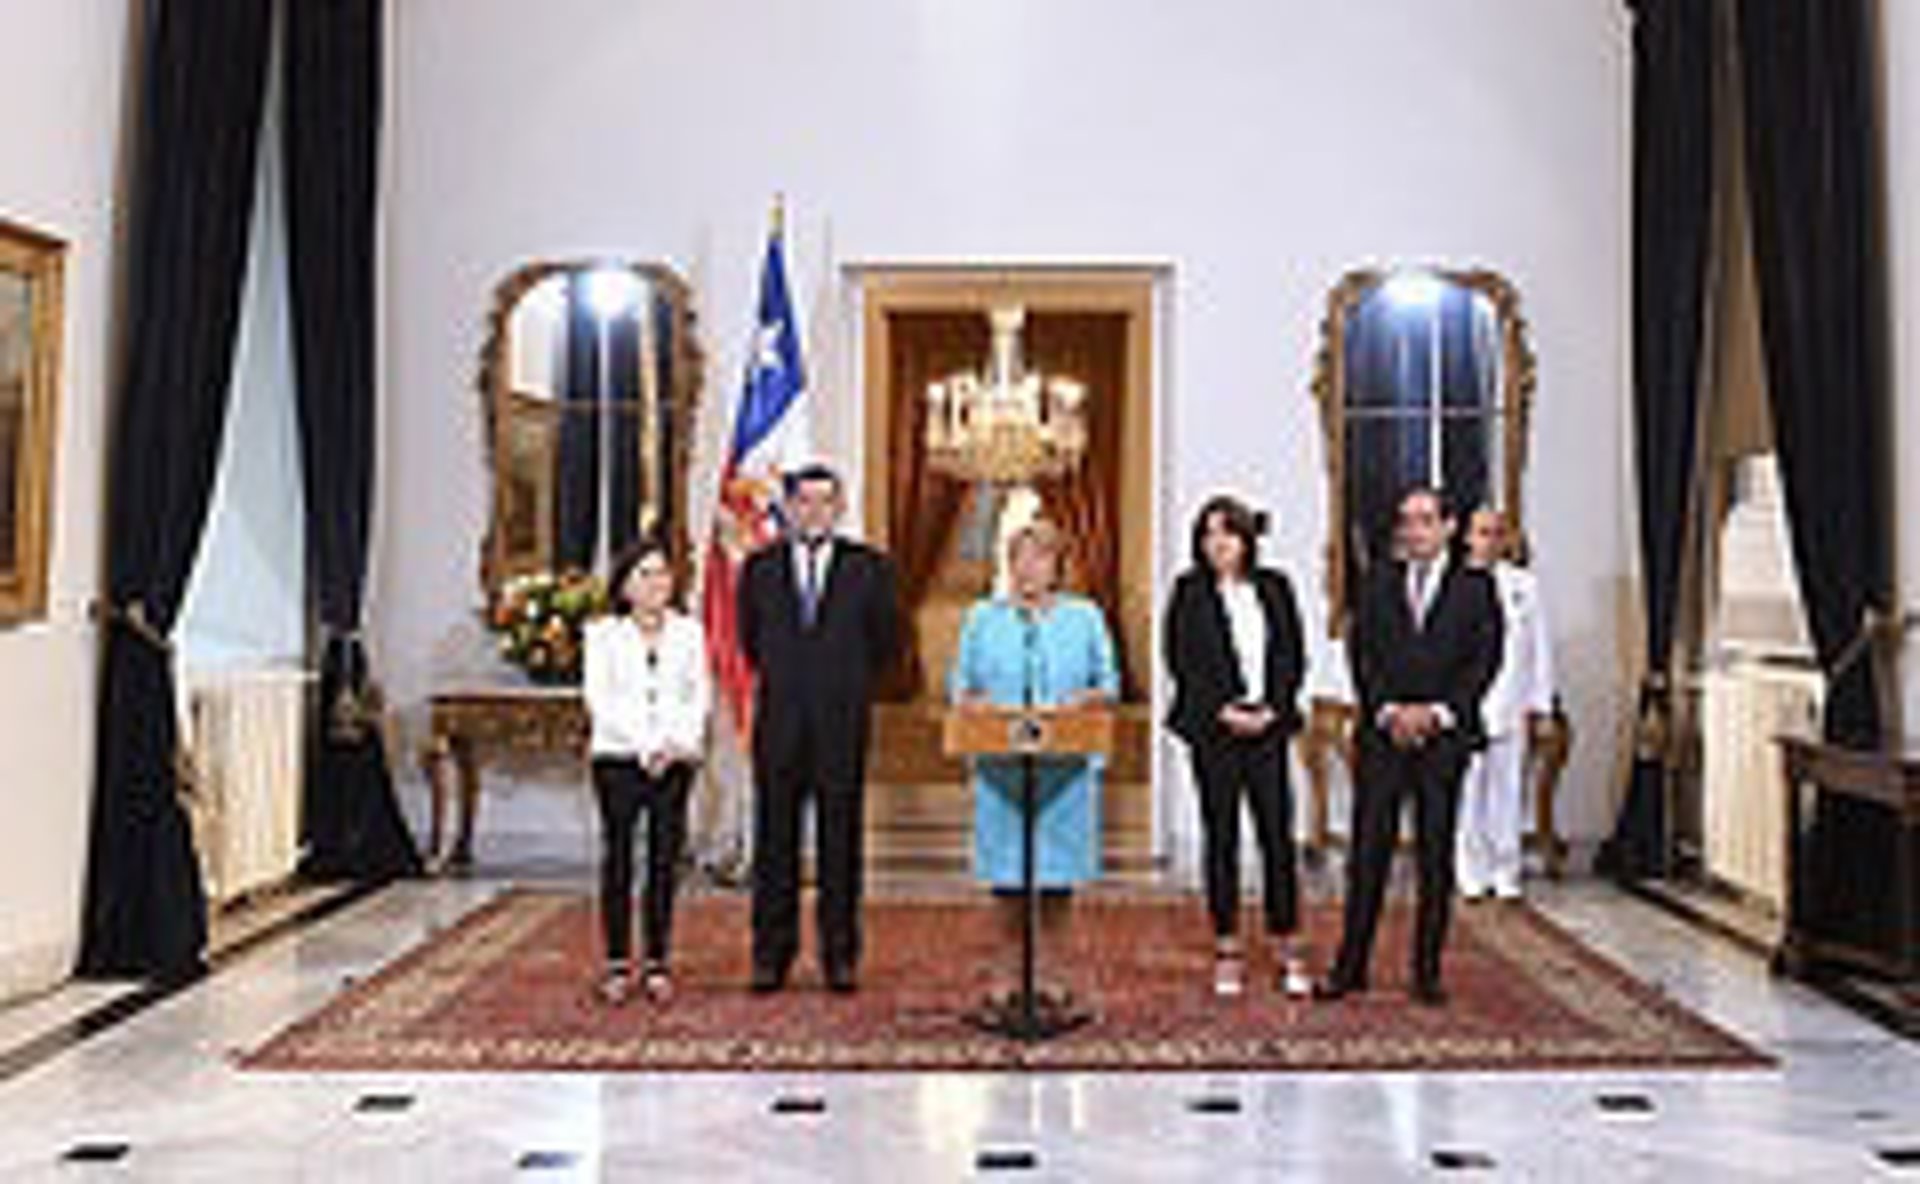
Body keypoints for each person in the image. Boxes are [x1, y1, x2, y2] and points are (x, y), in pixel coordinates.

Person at [1319, 486, 1501, 1006]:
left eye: (1424, 520)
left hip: (1443, 740)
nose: (1413, 530)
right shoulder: (1378, 581)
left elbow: (1484, 661)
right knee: (1367, 854)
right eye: (1406, 521)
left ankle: (1426, 973)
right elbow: (1363, 656)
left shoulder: (1475, 587)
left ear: (1448, 526)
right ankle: (1350, 967)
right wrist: (1389, 711)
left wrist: (1437, 713)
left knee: (1435, 856)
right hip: (1384, 735)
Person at [739, 462, 899, 994]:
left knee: (841, 845)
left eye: (825, 500)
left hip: (841, 727)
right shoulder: (759, 569)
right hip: (779, 727)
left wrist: (840, 686)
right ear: (788, 507)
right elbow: (750, 643)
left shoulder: (869, 569)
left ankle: (840, 955)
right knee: (774, 845)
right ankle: (771, 955)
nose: (814, 510)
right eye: (804, 500)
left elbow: (886, 645)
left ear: (840, 507)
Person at [950, 519, 1119, 998]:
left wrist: (1084, 700)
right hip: (1001, 769)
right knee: (1007, 879)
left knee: (1057, 878)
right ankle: (1006, 974)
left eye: (1040, 557)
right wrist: (976, 704)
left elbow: (1108, 683)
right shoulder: (983, 617)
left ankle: (1051, 974)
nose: (1028, 568)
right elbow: (960, 685)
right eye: (1020, 557)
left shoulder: (1084, 616)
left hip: (1064, 771)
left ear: (1057, 566)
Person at [1163, 495, 1309, 997]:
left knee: (1276, 835)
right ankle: (1227, 944)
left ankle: (1286, 940)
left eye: (1227, 532)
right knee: (1221, 835)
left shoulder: (1275, 587)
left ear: (1246, 539)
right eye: (1208, 534)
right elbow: (1181, 660)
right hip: (1215, 730)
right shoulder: (1189, 592)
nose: (1217, 543)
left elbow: (1292, 654)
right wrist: (1220, 710)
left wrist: (1274, 709)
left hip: (1267, 726)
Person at [582, 537, 711, 1005]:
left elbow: (698, 695)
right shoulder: (602, 634)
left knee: (664, 858)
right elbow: (601, 699)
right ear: (625, 585)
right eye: (646, 574)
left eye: (662, 573)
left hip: (675, 759)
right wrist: (645, 745)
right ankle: (617, 962)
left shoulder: (689, 632)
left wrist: (676, 743)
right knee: (618, 856)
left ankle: (657, 960)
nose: (657, 582)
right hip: (619, 757)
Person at [1457, 507, 1556, 901]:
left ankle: (1506, 870)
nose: (1490, 540)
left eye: (1497, 533)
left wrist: (1542, 706)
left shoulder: (1523, 585)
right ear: (1468, 537)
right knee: (1468, 793)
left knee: (1508, 792)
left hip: (1512, 703)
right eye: (1483, 532)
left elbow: (1539, 649)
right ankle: (1471, 870)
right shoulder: (1454, 583)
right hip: (1467, 706)